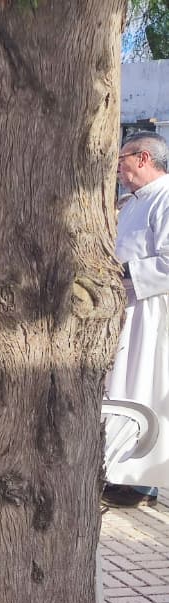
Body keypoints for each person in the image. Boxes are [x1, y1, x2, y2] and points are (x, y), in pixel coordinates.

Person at [104, 133, 169, 506]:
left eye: (122, 159)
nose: (118, 168)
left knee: (145, 389)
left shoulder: (165, 197)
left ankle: (143, 483)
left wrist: (124, 271)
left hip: (152, 310)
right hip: (128, 306)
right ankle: (119, 470)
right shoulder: (133, 203)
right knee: (123, 390)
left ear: (143, 158)